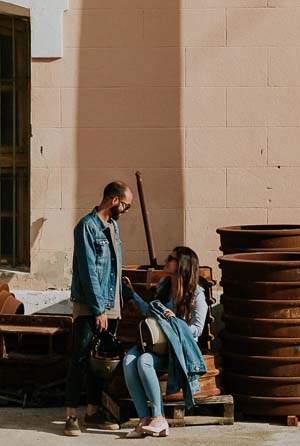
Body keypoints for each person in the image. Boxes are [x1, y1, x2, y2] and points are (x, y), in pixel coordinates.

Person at [64, 181, 134, 437]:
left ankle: (93, 411)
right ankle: (71, 414)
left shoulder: (112, 227)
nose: (126, 210)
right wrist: (98, 309)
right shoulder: (86, 227)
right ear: (114, 200)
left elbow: (111, 267)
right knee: (81, 358)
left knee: (100, 361)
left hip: (110, 306)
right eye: (125, 205)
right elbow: (87, 270)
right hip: (90, 307)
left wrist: (121, 292)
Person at [120, 246, 208, 439]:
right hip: (157, 342)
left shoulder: (197, 296)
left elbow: (197, 331)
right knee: (128, 361)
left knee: (144, 361)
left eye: (171, 258)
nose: (167, 260)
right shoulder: (164, 287)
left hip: (177, 350)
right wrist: (132, 293)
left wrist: (176, 321)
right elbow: (149, 312)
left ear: (183, 265)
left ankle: (159, 418)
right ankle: (143, 420)